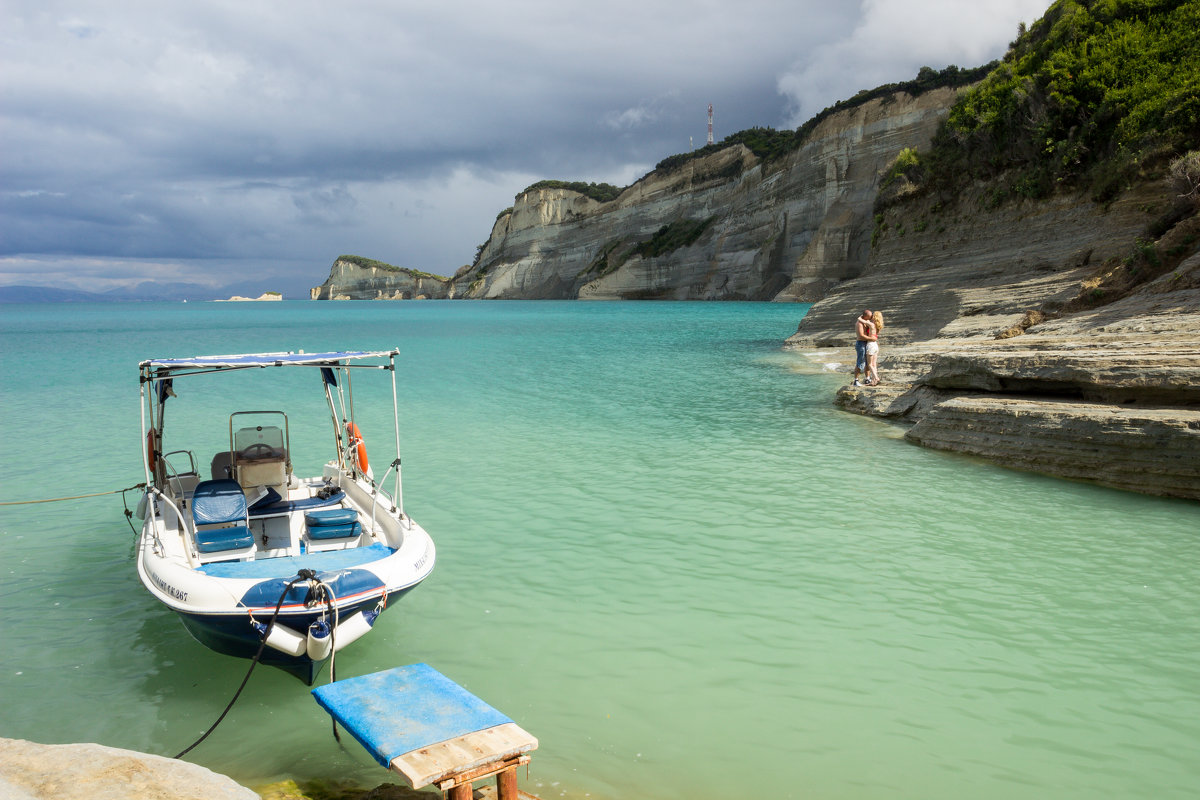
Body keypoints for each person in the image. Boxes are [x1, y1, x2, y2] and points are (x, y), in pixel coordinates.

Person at [853, 309, 874, 386]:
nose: (872, 316)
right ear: (866, 316)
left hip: (866, 343)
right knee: (860, 361)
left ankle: (867, 378)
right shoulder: (859, 323)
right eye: (870, 315)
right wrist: (872, 339)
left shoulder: (865, 321)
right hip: (861, 344)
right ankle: (856, 380)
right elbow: (861, 335)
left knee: (868, 362)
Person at [865, 310, 884, 385]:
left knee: (869, 364)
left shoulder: (871, 324)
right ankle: (873, 382)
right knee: (874, 364)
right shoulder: (878, 325)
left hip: (870, 345)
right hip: (875, 345)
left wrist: (862, 316)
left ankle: (876, 377)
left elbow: (861, 320)